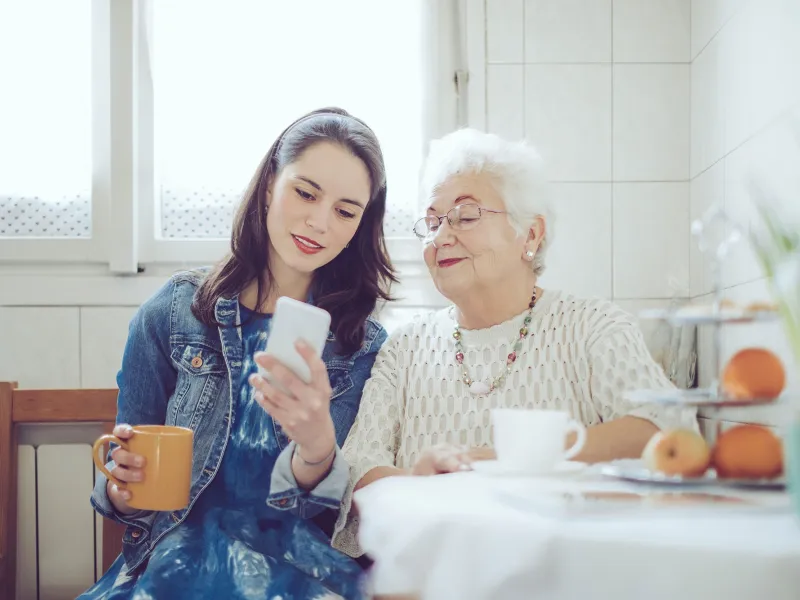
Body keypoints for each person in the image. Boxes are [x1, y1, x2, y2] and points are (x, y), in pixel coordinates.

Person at [329, 128, 699, 558]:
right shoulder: (405, 348)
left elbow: (668, 429)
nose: (440, 238)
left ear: (531, 234)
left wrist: (511, 461)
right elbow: (358, 470)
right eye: (432, 223)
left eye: (466, 216)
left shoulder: (592, 325)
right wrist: (420, 485)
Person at [80, 107, 396, 599]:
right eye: (306, 192)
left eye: (345, 210)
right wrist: (123, 489)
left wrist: (316, 448)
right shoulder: (172, 312)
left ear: (360, 223)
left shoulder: (362, 345)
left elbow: (329, 515)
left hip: (298, 568)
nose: (319, 221)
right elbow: (127, 476)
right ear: (270, 183)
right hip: (175, 560)